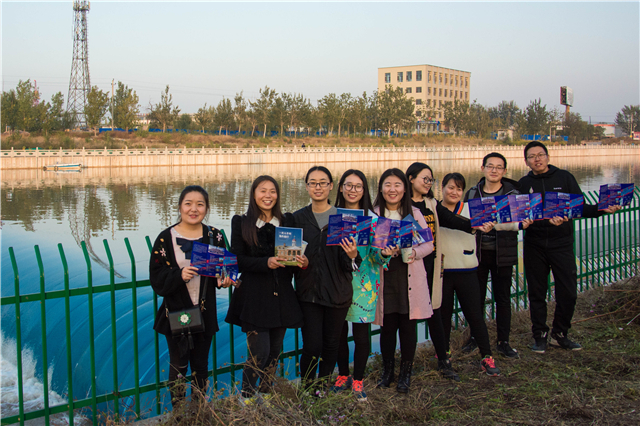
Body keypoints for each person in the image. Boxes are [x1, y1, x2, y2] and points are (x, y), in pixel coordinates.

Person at [518, 141, 621, 353]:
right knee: (537, 293)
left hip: (561, 244)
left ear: (547, 157)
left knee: (568, 292)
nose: (537, 159)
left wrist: (604, 208)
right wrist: (545, 222)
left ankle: (560, 333)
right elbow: (523, 216)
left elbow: (580, 207)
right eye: (531, 156)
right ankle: (540, 336)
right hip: (534, 244)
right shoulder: (523, 183)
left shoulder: (564, 177)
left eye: (540, 155)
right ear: (526, 161)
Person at [406, 162, 491, 381]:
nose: (428, 183)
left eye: (430, 180)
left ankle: (445, 360)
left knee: (436, 315)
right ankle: (405, 365)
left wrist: (474, 225)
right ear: (411, 179)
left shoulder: (431, 203)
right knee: (408, 318)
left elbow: (451, 220)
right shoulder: (402, 205)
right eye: (425, 179)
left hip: (433, 267)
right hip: (410, 267)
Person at [149, 185, 233, 407]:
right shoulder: (165, 238)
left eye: (200, 204)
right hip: (177, 311)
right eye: (188, 204)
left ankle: (198, 411)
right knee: (178, 365)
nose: (193, 209)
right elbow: (157, 278)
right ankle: (178, 413)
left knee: (201, 365)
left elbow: (223, 271)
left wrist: (223, 281)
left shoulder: (215, 236)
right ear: (179, 206)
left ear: (207, 208)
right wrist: (180, 275)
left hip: (205, 311)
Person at [225, 176, 306, 403]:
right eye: (263, 191)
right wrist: (265, 262)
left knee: (274, 351)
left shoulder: (287, 220)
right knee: (258, 352)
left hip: (281, 295)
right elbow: (237, 260)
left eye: (272, 191)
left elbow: (293, 256)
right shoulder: (241, 222)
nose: (268, 195)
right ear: (253, 194)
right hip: (254, 297)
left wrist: (302, 261)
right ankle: (247, 397)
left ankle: (266, 393)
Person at [292, 166, 362, 394]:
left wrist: (353, 256)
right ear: (307, 187)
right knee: (312, 345)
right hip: (308, 293)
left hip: (337, 292)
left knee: (331, 344)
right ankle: (307, 387)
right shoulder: (297, 218)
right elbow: (289, 255)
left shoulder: (343, 219)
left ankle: (322, 386)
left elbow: (349, 264)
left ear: (331, 186)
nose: (318, 187)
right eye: (313, 182)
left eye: (323, 182)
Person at [463, 152, 532, 358]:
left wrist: (523, 223)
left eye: (499, 167)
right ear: (482, 168)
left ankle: (503, 341)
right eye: (490, 166)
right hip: (478, 253)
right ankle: (475, 337)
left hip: (503, 252)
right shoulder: (473, 193)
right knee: (476, 299)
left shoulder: (513, 193)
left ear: (504, 171)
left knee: (502, 298)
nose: (494, 170)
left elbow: (520, 221)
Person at [333, 169, 394, 401]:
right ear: (340, 188)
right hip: (337, 282)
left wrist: (386, 254)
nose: (352, 190)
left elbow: (378, 259)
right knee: (338, 333)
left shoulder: (376, 221)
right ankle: (343, 375)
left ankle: (358, 380)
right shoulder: (332, 216)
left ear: (364, 190)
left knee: (360, 336)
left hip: (365, 286)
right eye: (348, 185)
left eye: (358, 186)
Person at [373, 168, 434, 393]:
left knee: (408, 328)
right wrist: (382, 252)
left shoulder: (414, 214)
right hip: (385, 276)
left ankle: (405, 373)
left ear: (405, 189)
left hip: (409, 275)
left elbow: (429, 244)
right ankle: (387, 371)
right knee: (387, 328)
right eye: (388, 184)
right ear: (381, 188)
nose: (393, 189)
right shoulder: (374, 214)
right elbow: (368, 247)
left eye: (397, 185)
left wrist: (414, 253)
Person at [438, 173, 501, 376]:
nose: (454, 192)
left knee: (475, 315)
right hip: (443, 272)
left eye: (458, 188)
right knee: (443, 317)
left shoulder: (470, 208)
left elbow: (499, 221)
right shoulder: (434, 209)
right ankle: (444, 356)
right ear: (442, 188)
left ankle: (486, 356)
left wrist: (520, 224)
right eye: (450, 187)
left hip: (467, 269)